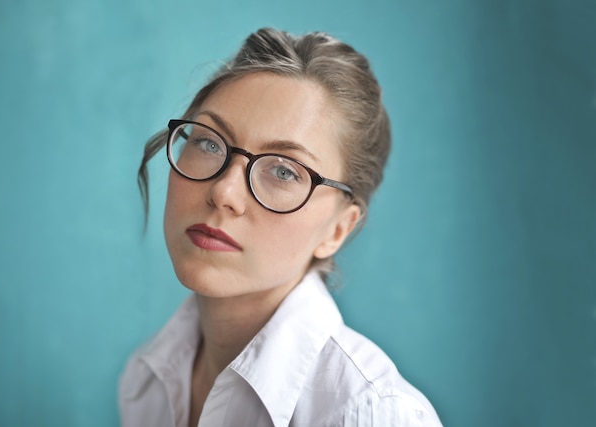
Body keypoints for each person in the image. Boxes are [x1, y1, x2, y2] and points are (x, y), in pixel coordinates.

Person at [119, 28, 442, 427]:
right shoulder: (146, 380)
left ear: (337, 230)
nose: (225, 192)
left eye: (284, 171)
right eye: (209, 144)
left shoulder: (371, 414)